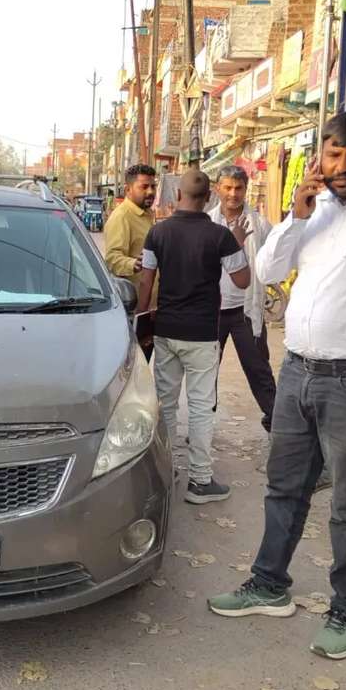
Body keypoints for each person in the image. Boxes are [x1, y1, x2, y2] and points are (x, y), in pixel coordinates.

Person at [208, 111, 346, 661]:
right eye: (334, 154)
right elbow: (266, 270)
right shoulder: (317, 206)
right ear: (321, 154)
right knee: (284, 486)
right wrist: (296, 215)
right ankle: (268, 584)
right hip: (299, 371)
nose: (342, 166)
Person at [136, 169, 250, 503]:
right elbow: (242, 280)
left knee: (166, 405)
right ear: (210, 198)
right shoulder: (221, 236)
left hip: (166, 330)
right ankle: (200, 481)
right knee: (201, 407)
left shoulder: (157, 233)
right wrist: (238, 244)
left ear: (176, 196)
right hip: (201, 334)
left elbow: (146, 282)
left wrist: (142, 320)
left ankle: (167, 470)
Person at [209, 165, 276, 432]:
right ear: (218, 189)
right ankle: (202, 427)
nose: (233, 194)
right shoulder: (208, 223)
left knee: (259, 368)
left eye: (238, 188)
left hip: (247, 311)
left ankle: (277, 424)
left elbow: (274, 257)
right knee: (206, 373)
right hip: (213, 310)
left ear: (246, 190)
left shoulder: (259, 224)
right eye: (227, 187)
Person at [103, 164, 157, 287]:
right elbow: (112, 259)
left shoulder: (148, 213)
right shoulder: (121, 217)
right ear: (128, 190)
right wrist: (134, 264)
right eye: (144, 187)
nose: (150, 191)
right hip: (136, 302)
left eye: (153, 186)